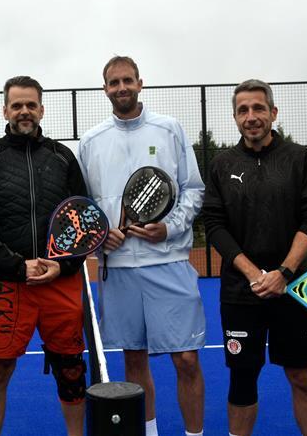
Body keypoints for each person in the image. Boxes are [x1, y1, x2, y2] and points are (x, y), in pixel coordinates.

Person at [78, 56, 206, 436]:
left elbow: (193, 190)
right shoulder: (91, 141)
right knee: (134, 360)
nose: (121, 88)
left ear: (140, 83)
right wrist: (102, 238)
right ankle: (148, 432)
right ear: (105, 88)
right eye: (114, 82)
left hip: (169, 261)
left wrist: (168, 227)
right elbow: (86, 207)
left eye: (127, 80)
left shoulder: (170, 129)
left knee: (186, 360)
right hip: (117, 269)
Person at [0, 76, 89, 436]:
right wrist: (18, 266)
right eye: (17, 105)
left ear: (41, 109)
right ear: (5, 110)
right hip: (7, 283)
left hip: (60, 283)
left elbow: (84, 220)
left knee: (71, 369)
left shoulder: (63, 157)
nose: (24, 111)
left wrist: (62, 264)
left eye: (31, 104)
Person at [202, 79, 307, 436]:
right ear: (235, 117)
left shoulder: (298, 158)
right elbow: (215, 226)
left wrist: (284, 273)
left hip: (296, 290)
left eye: (258, 108)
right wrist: (255, 274)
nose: (251, 116)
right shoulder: (222, 164)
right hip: (242, 293)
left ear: (273, 112)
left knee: (302, 377)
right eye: (243, 110)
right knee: (242, 379)